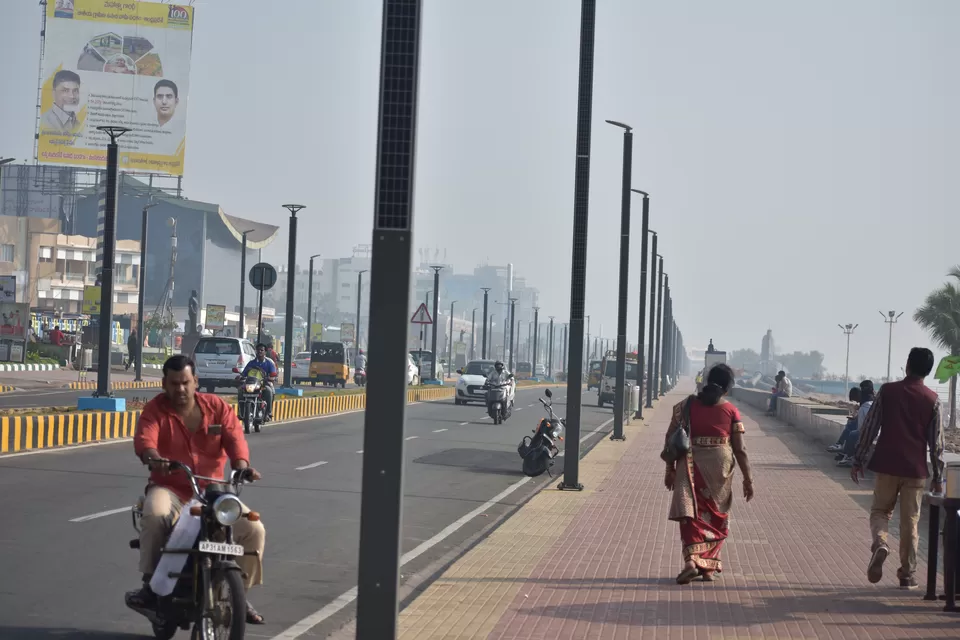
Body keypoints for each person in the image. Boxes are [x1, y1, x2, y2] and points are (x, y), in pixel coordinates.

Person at [127, 355, 266, 624]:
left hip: (213, 491)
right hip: (170, 488)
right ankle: (149, 586)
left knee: (253, 529)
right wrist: (154, 457)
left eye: (186, 382)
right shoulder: (155, 410)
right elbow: (145, 439)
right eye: (174, 383)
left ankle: (237, 595)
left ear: (196, 382)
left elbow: (235, 437)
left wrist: (242, 466)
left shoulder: (216, 407)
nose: (180, 389)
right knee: (155, 516)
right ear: (165, 384)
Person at [851, 348, 944, 590]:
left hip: (887, 464)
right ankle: (907, 574)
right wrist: (939, 477)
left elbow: (870, 427)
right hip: (915, 470)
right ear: (928, 370)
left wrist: (858, 458)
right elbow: (937, 444)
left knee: (880, 511)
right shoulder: (932, 400)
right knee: (910, 523)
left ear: (907, 365)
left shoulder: (888, 391)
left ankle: (881, 542)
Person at [665, 363, 754, 584]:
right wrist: (748, 479)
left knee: (690, 515)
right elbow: (740, 449)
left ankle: (692, 562)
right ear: (727, 387)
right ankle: (707, 567)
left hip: (690, 464)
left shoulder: (685, 406)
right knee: (716, 516)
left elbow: (671, 439)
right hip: (719, 465)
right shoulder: (731, 410)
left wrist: (670, 469)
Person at [836, 380, 875, 466]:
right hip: (872, 429)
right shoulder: (872, 402)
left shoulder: (865, 406)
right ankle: (844, 452)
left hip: (871, 431)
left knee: (853, 434)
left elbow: (862, 427)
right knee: (851, 426)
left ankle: (849, 456)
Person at [241, 344, 278, 421]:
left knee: (269, 391)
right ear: (256, 351)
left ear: (265, 352)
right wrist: (240, 377)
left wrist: (270, 378)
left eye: (262, 350)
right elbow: (244, 373)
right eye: (258, 350)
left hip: (264, 384)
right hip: (251, 384)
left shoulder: (269, 363)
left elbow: (273, 374)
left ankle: (268, 413)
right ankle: (241, 412)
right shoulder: (251, 363)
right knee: (240, 390)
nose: (260, 351)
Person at [40, 70, 82, 134]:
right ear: (54, 93)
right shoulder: (43, 122)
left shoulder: (79, 125)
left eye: (75, 91)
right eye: (65, 90)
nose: (72, 96)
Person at [827, 387, 862, 452]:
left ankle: (842, 445)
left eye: (856, 399)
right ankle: (841, 445)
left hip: (865, 429)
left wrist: (855, 418)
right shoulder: (864, 403)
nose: (857, 401)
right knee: (850, 423)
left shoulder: (865, 404)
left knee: (852, 425)